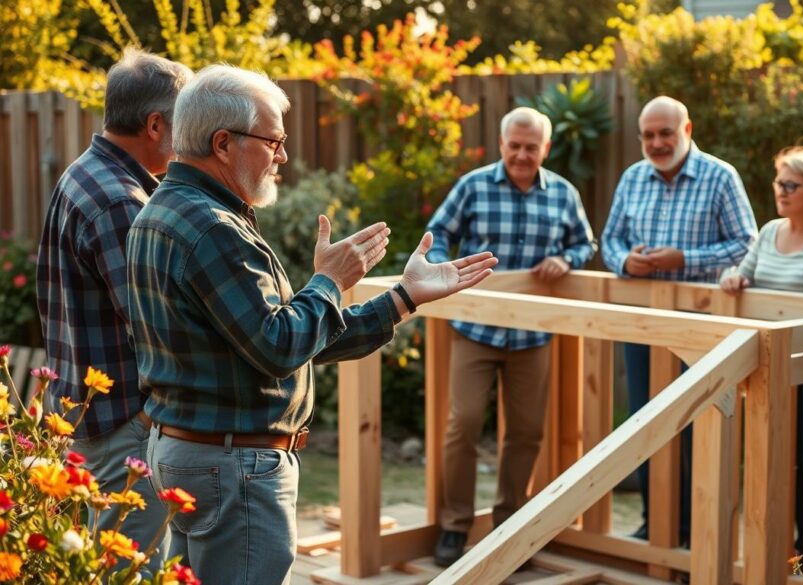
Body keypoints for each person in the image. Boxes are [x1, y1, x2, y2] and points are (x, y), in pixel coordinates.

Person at [126, 64, 497, 585]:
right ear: (224, 143)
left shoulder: (164, 210)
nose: (282, 155)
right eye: (273, 141)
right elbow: (279, 345)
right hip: (233, 468)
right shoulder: (212, 229)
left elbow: (280, 341)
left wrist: (404, 297)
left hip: (192, 455)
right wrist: (328, 281)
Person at [35, 48, 193, 571]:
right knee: (132, 572)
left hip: (87, 413)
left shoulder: (86, 173)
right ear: (154, 125)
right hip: (121, 422)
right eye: (185, 123)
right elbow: (157, 327)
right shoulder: (120, 202)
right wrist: (148, 418)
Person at [426, 106, 597, 566]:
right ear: (502, 145)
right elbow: (438, 231)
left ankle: (508, 526)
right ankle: (454, 527)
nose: (522, 155)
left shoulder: (563, 193)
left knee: (525, 432)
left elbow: (585, 243)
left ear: (545, 147)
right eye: (514, 146)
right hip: (476, 329)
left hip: (531, 334)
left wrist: (569, 260)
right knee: (462, 425)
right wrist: (445, 268)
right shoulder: (474, 185)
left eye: (531, 147)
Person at [601, 96, 757, 544]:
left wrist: (681, 259)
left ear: (687, 129)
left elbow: (747, 245)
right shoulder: (632, 177)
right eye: (648, 135)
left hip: (700, 325)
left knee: (694, 425)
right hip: (644, 322)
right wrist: (625, 263)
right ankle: (657, 524)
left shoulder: (720, 176)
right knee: (644, 422)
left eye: (665, 133)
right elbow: (610, 239)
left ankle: (695, 533)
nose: (656, 143)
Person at [721, 146, 803, 557]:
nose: (781, 190)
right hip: (764, 367)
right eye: (779, 182)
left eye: (791, 184)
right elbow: (740, 275)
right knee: (770, 459)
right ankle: (779, 550)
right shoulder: (768, 231)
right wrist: (731, 279)